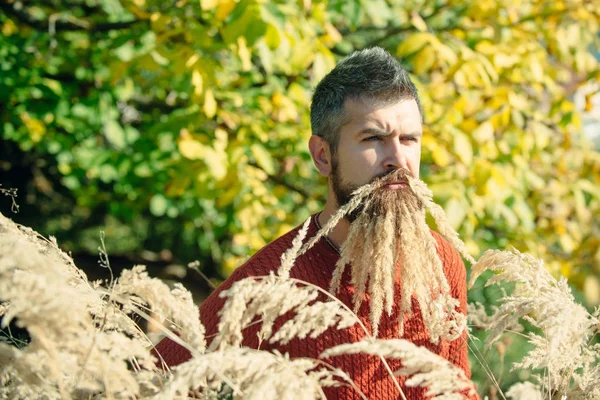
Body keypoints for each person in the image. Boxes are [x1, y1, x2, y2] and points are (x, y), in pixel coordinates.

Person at [154, 47, 478, 399]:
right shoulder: (272, 282)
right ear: (323, 156)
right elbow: (154, 377)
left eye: (409, 139)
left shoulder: (442, 263)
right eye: (373, 139)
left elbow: (457, 391)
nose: (397, 159)